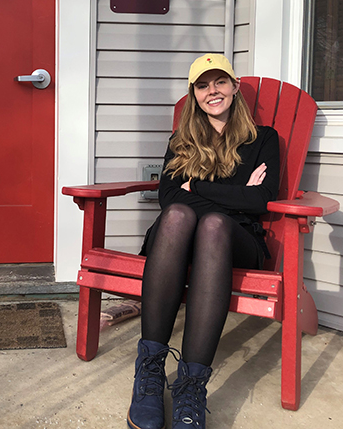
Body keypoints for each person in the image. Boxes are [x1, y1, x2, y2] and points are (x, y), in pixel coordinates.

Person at [127, 54, 280, 429]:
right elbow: (167, 199)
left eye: (220, 82)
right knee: (178, 216)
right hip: (176, 240)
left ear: (235, 86)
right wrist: (235, 193)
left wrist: (193, 186)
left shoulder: (264, 139)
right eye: (203, 85)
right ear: (194, 95)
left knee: (211, 223)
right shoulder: (181, 140)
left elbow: (261, 201)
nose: (213, 91)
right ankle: (149, 373)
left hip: (237, 239)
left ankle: (191, 386)